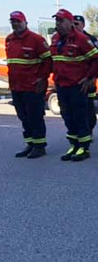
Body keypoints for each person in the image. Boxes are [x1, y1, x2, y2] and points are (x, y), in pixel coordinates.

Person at [50, 9, 98, 161]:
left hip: (77, 86)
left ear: (69, 22)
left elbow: (97, 58)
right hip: (61, 84)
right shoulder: (55, 39)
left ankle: (84, 148)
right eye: (56, 21)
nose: (58, 24)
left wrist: (90, 78)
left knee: (80, 116)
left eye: (61, 21)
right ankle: (74, 144)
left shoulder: (81, 39)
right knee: (67, 116)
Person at [5, 11, 52, 158]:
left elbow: (48, 61)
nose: (15, 24)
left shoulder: (36, 39)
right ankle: (30, 144)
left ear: (25, 22)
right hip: (16, 87)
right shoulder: (9, 39)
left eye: (18, 21)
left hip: (32, 87)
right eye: (13, 21)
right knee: (23, 117)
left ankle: (39, 146)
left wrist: (42, 78)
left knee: (35, 116)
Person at [73, 15, 98, 135]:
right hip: (74, 81)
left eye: (77, 24)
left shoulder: (91, 40)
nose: (74, 26)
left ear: (83, 25)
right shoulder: (68, 39)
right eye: (72, 24)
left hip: (88, 80)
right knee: (75, 109)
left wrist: (92, 77)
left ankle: (89, 130)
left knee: (88, 107)